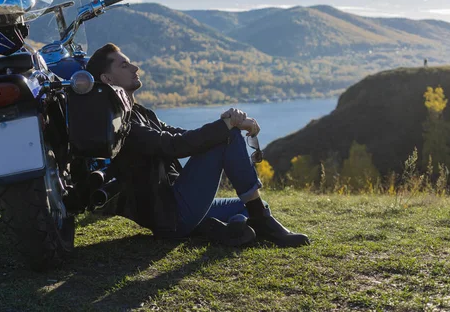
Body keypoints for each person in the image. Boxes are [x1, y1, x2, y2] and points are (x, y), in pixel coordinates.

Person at [86, 43, 310, 248]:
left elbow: (184, 135)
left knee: (251, 206)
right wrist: (227, 127)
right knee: (229, 142)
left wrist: (228, 122)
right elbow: (174, 145)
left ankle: (214, 228)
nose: (135, 67)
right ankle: (259, 224)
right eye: (124, 65)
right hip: (171, 217)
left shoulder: (141, 114)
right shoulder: (122, 127)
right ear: (107, 80)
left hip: (178, 203)